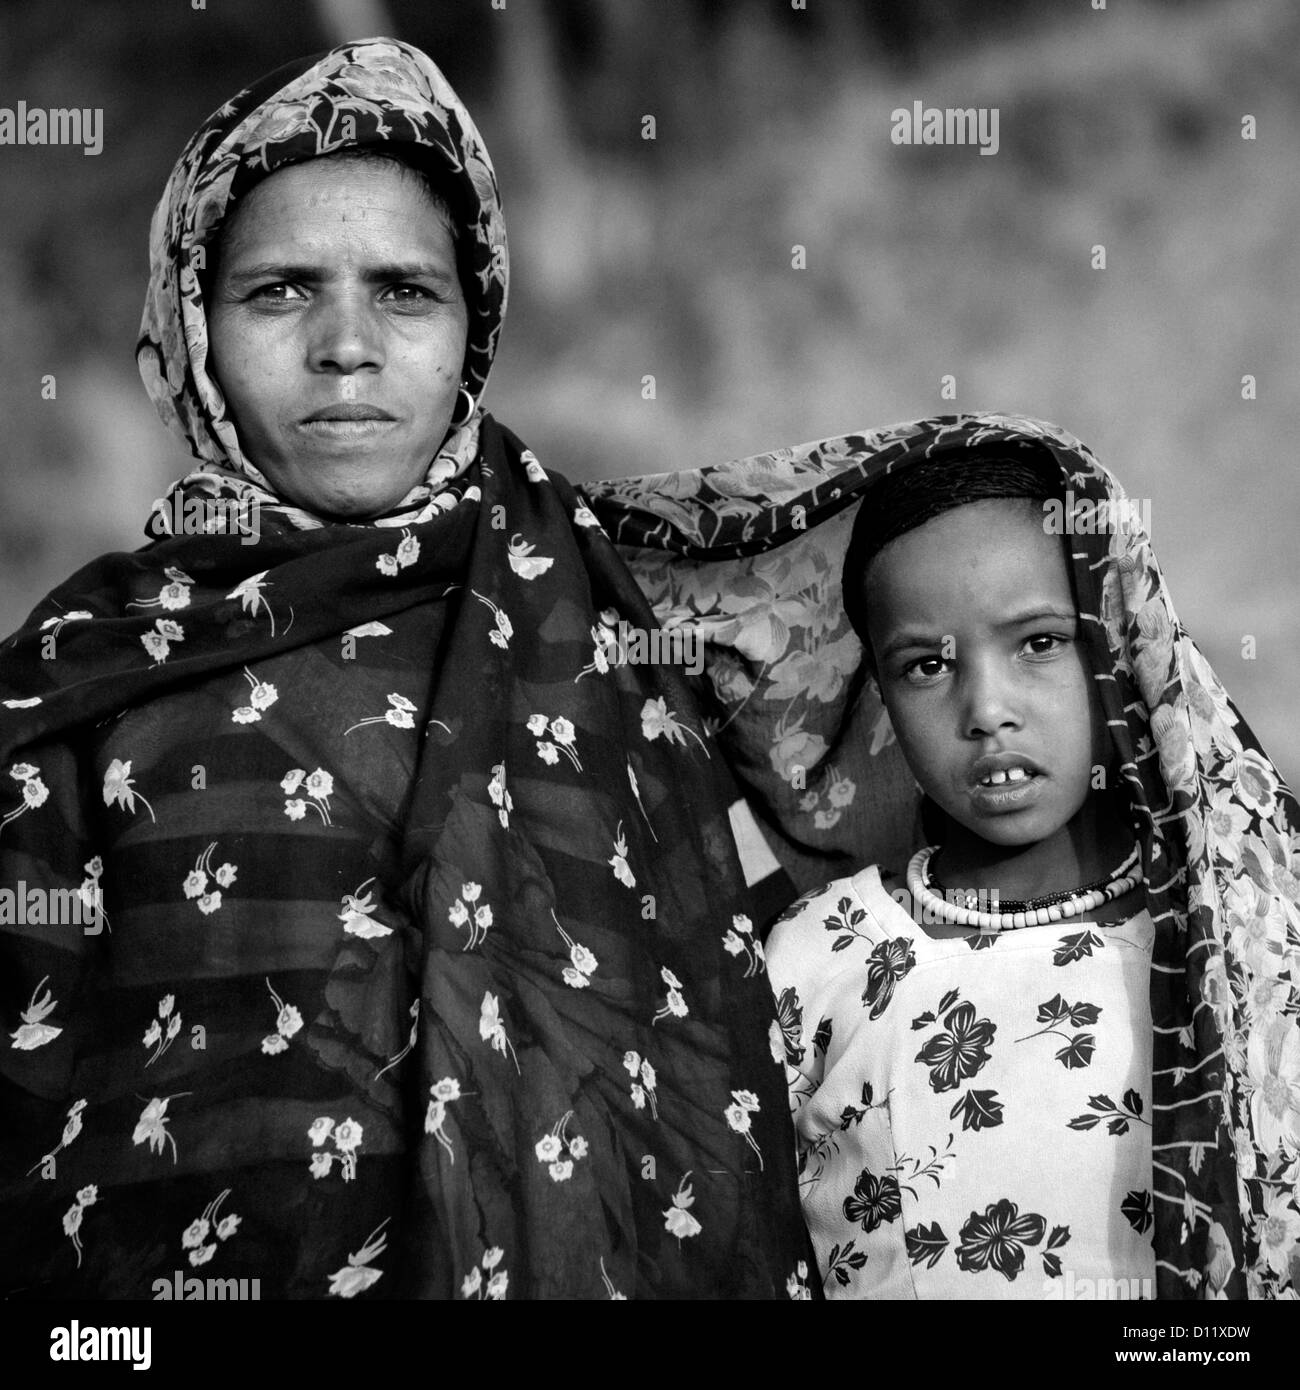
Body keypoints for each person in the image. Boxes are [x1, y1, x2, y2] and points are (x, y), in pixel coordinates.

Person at [0, 38, 811, 1300]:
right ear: (190, 321)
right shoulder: (85, 670)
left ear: (473, 324)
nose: (345, 345)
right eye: (278, 291)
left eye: (404, 292)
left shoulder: (602, 618)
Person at [585, 414, 1300, 1299]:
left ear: (1116, 639)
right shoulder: (819, 954)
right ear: (877, 691)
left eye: (1041, 642)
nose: (987, 708)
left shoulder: (1242, 940)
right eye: (927, 665)